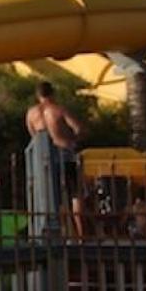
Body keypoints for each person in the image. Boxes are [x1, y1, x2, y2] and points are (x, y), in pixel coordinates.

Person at [26, 81, 85, 236]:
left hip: (44, 159)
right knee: (74, 194)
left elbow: (33, 135)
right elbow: (78, 128)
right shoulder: (58, 110)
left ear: (38, 95)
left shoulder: (31, 114)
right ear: (52, 93)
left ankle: (61, 232)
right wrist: (72, 139)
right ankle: (80, 234)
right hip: (65, 154)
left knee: (53, 195)